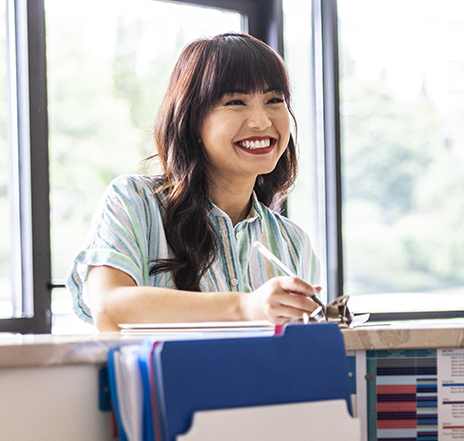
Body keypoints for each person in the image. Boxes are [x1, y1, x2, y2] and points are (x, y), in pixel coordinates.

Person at [67, 33, 322, 332]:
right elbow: (109, 308)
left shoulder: (293, 243)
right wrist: (244, 307)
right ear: (192, 121)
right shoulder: (133, 200)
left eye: (274, 100)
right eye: (235, 101)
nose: (261, 121)